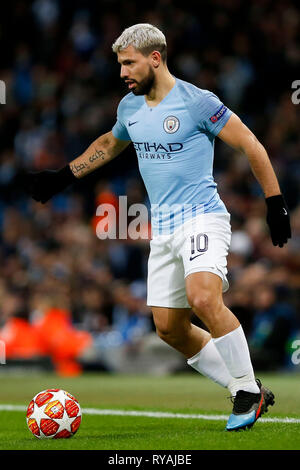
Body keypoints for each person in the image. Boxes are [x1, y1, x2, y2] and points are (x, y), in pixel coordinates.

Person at [23, 23, 291, 431]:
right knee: (169, 328)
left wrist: (275, 203)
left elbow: (250, 143)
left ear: (155, 58)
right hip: (162, 230)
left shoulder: (198, 102)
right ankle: (246, 386)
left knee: (204, 298)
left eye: (128, 63)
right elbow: (110, 145)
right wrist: (63, 175)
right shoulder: (129, 108)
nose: (122, 72)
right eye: (119, 64)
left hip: (203, 216)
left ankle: (247, 395)